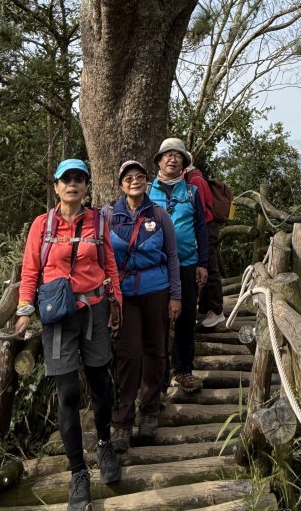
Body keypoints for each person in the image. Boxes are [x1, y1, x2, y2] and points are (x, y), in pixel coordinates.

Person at [16, 158, 122, 511]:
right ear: (57, 186)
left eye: (79, 179)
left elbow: (109, 266)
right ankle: (79, 472)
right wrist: (23, 311)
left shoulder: (99, 222)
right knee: (68, 393)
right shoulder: (41, 225)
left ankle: (105, 443)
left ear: (86, 186)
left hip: (94, 310)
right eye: (67, 179)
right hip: (57, 316)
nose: (73, 184)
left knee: (101, 386)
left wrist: (116, 301)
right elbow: (31, 269)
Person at [107, 159, 182, 451]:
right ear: (121, 183)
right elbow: (103, 258)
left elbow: (172, 256)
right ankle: (122, 422)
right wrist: (110, 296)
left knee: (155, 350)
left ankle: (150, 412)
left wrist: (175, 296)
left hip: (157, 289)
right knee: (128, 355)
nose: (134, 180)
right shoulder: (109, 215)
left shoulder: (160, 215)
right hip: (124, 294)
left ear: (147, 182)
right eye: (128, 177)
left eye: (140, 176)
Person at [149, 138, 208, 394]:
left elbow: (201, 228)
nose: (172, 159)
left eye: (178, 155)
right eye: (167, 155)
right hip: (156, 267)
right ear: (159, 161)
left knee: (186, 319)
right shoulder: (145, 192)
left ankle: (183, 371)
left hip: (187, 263)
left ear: (184, 163)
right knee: (158, 322)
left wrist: (202, 263)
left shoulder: (191, 192)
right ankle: (158, 380)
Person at [187, 158, 226, 329]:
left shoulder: (195, 181)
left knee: (210, 269)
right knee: (209, 267)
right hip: (210, 227)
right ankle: (204, 309)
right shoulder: (198, 177)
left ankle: (217, 312)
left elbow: (199, 210)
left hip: (206, 229)